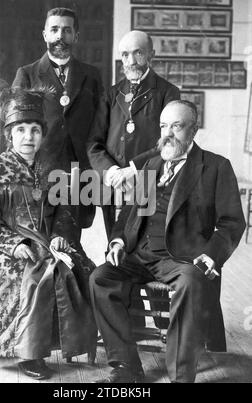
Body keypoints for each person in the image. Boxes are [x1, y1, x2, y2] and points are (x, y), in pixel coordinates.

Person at [89, 100, 246, 383]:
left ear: (194, 130)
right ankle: (127, 367)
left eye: (177, 126)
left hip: (182, 259)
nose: (168, 133)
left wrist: (211, 256)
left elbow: (232, 222)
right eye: (164, 126)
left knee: (190, 283)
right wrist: (118, 243)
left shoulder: (215, 167)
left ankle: (179, 375)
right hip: (139, 254)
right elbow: (128, 215)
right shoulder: (151, 164)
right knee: (100, 279)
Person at [0, 88, 97, 380]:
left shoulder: (50, 170)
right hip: (6, 245)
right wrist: (14, 244)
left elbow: (65, 210)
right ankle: (30, 354)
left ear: (42, 134)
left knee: (77, 267)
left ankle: (72, 341)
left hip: (47, 240)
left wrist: (61, 234)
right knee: (33, 275)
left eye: (35, 130)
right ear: (9, 135)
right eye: (22, 130)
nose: (29, 137)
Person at [12, 7, 103, 234]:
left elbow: (101, 124)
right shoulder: (27, 74)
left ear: (76, 36)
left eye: (66, 30)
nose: (60, 36)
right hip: (40, 171)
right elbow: (13, 127)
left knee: (71, 243)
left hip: (78, 173)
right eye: (54, 30)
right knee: (38, 240)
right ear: (45, 35)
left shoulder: (92, 75)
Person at [87, 30, 180, 239]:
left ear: (151, 55)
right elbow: (94, 143)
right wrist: (110, 171)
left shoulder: (168, 93)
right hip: (113, 187)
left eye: (138, 53)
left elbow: (171, 142)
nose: (130, 61)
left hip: (151, 184)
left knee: (144, 250)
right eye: (125, 55)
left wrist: (133, 169)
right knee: (114, 247)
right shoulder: (111, 94)